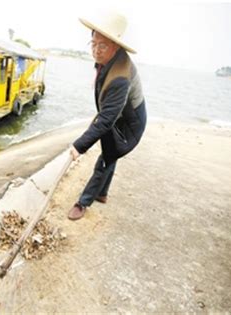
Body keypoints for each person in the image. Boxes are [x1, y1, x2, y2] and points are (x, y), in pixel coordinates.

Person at [68, 10, 147, 220]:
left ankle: (83, 202)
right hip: (119, 117)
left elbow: (106, 120)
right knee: (111, 152)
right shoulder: (109, 60)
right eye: (93, 43)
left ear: (116, 46)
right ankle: (102, 194)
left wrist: (78, 146)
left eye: (102, 45)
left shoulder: (121, 76)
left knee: (107, 156)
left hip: (130, 126)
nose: (96, 50)